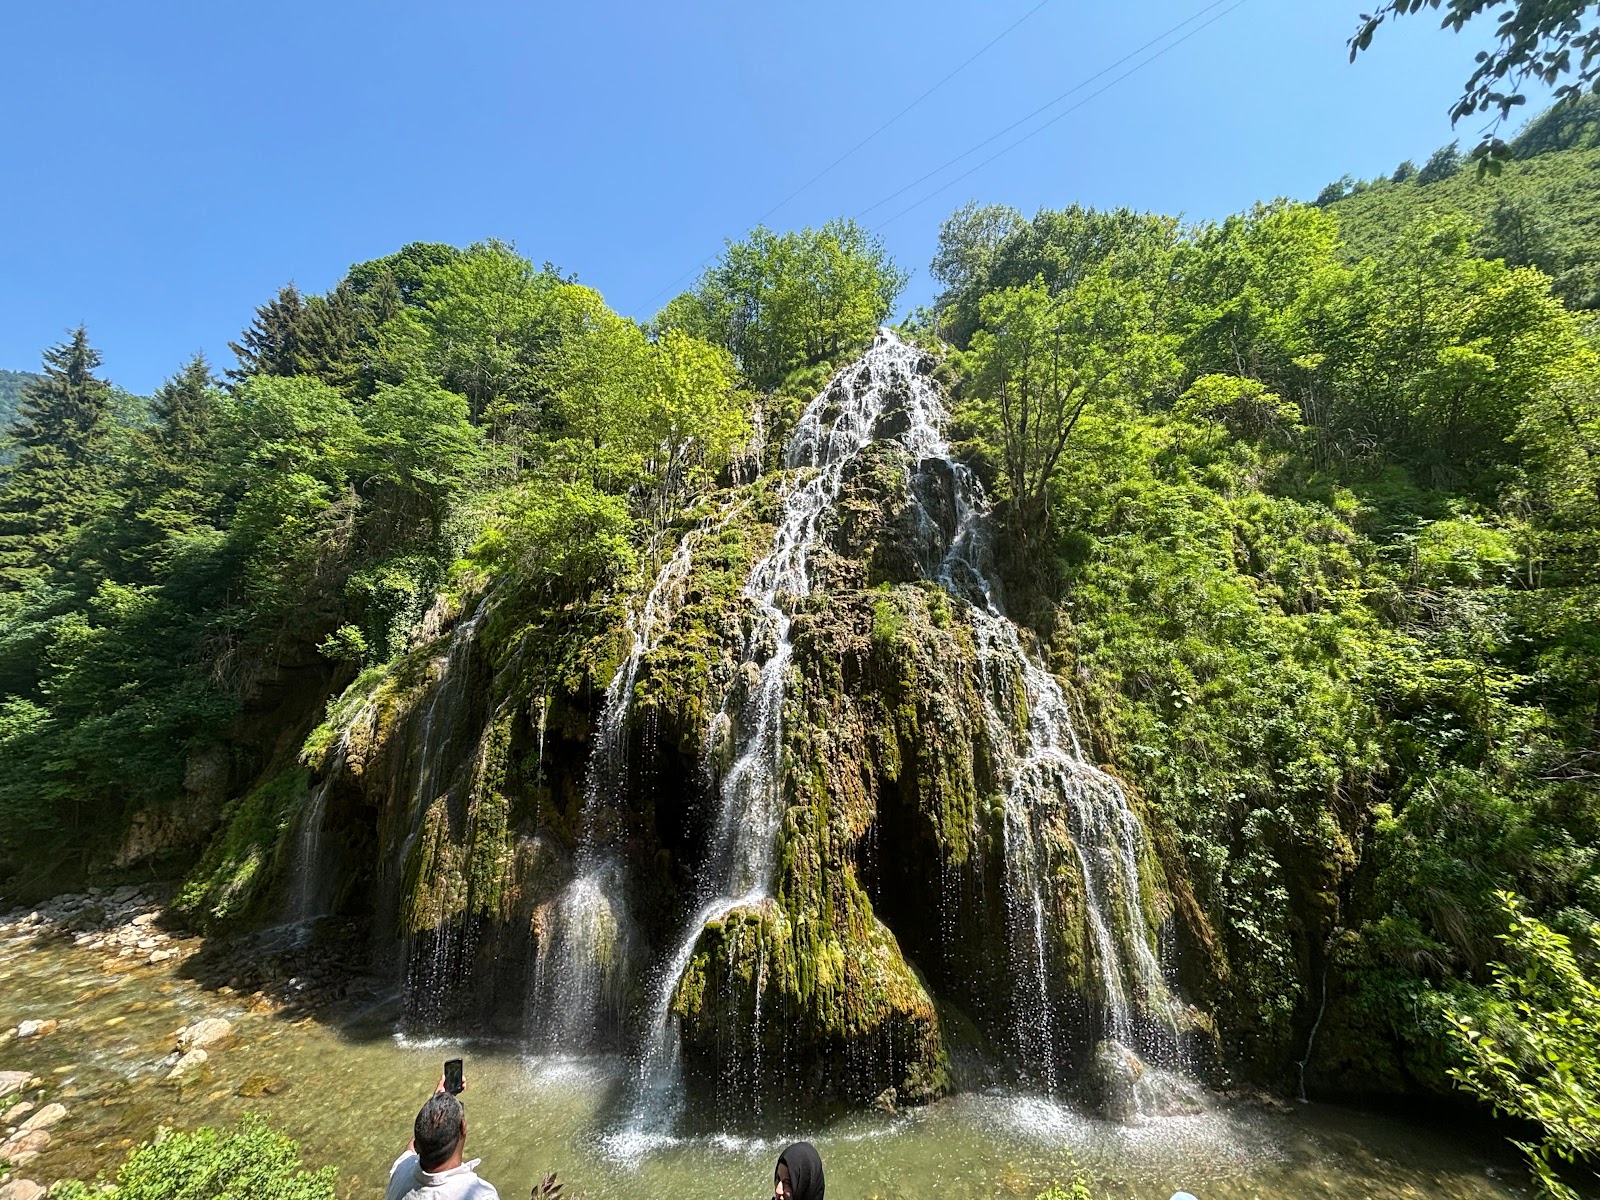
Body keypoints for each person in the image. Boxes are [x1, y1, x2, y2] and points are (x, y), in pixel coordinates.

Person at [386, 1075, 499, 1200]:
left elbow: (414, 1145)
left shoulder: (401, 1170)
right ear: (463, 1126)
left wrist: (437, 1104)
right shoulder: (482, 1195)